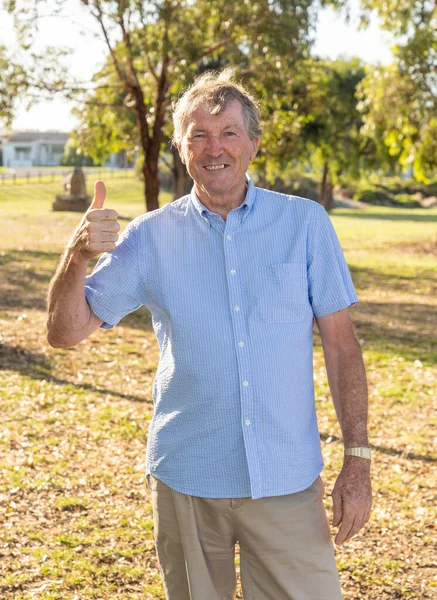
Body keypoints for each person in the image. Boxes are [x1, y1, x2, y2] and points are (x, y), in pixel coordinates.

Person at [47, 68, 372, 600]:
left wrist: (356, 460)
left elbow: (341, 345)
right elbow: (65, 333)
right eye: (198, 135)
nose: (213, 148)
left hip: (285, 478)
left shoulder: (306, 224)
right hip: (186, 480)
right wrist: (76, 255)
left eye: (228, 133)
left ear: (253, 145)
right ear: (180, 148)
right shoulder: (148, 237)